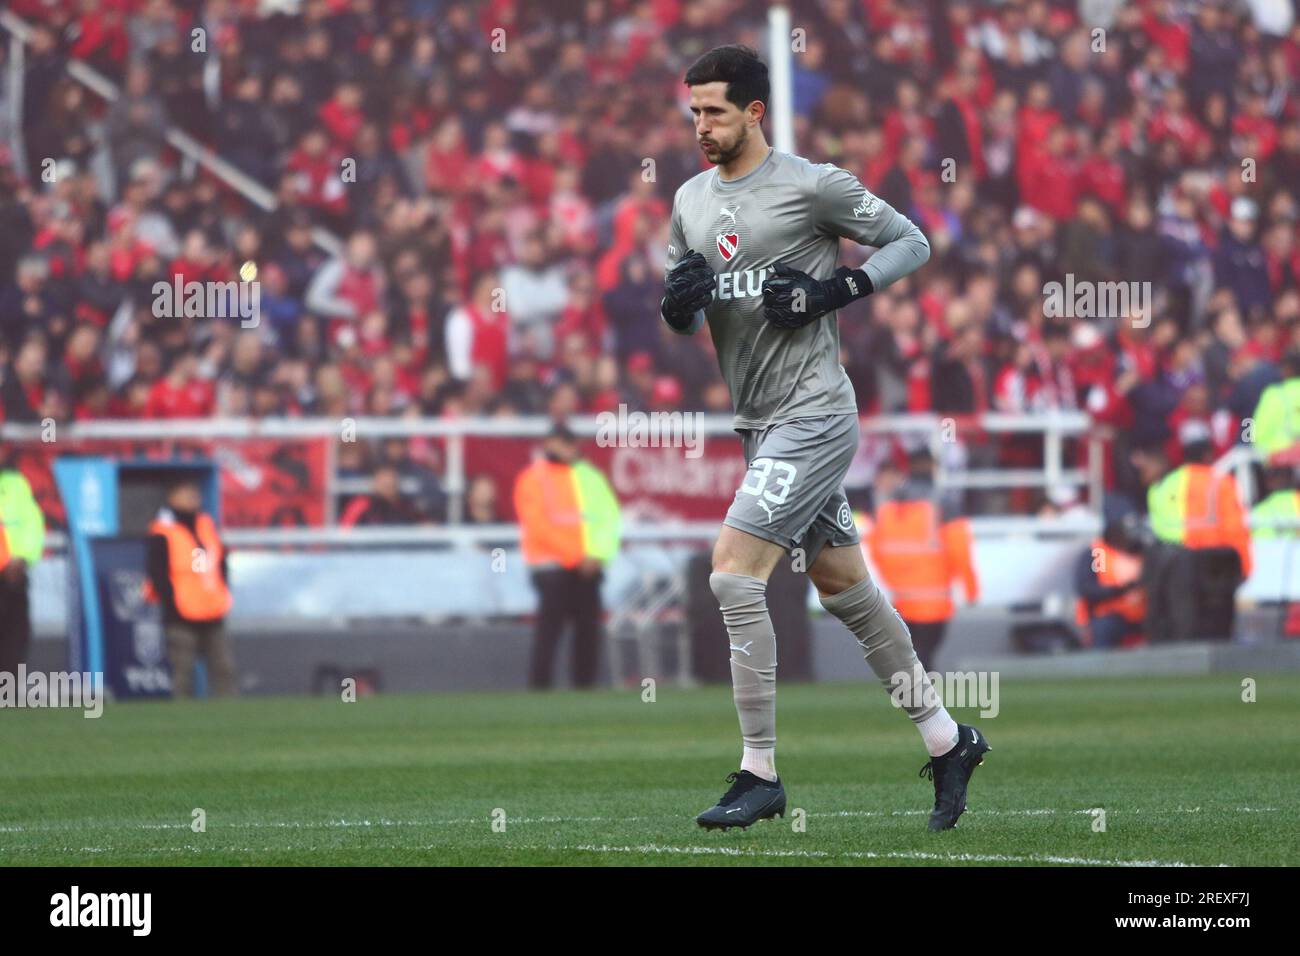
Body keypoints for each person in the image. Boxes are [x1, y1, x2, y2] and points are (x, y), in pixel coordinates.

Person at [662, 46, 988, 833]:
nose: (700, 126)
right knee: (845, 589)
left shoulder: (812, 185)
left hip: (815, 413)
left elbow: (912, 240)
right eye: (693, 112)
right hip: (760, 422)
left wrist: (833, 289)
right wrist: (675, 305)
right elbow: (686, 313)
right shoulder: (690, 201)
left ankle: (759, 771)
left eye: (713, 111)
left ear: (754, 113)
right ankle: (949, 739)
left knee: (734, 575)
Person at [513, 422, 621, 689]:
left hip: (587, 567)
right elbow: (537, 525)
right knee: (549, 633)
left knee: (587, 633)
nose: (569, 449)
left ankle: (584, 688)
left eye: (571, 443)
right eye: (563, 443)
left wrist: (596, 556)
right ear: (549, 443)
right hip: (553, 567)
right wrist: (579, 557)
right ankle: (540, 688)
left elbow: (609, 520)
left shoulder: (590, 476)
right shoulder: (533, 478)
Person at [1134, 421, 1253, 642]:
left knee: (1181, 623)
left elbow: (1157, 530)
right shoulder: (1222, 482)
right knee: (1217, 623)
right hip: (1217, 562)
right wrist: (1245, 566)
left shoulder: (1163, 485)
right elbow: (1235, 527)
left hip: (1174, 562)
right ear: (1209, 452)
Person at [867, 447, 979, 671]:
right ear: (934, 468)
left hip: (900, 599)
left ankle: (913, 697)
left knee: (912, 655)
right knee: (925, 655)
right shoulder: (944, 503)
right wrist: (970, 589)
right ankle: (923, 700)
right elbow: (960, 550)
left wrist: (894, 579)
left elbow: (876, 548)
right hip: (934, 601)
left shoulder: (888, 505)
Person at [144, 479, 237, 697]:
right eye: (186, 494)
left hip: (212, 610)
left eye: (195, 494)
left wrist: (221, 592)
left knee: (224, 668)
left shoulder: (206, 524)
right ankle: (181, 721)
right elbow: (157, 573)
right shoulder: (163, 531)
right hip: (181, 613)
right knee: (182, 671)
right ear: (172, 497)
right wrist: (172, 603)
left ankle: (231, 718)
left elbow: (220, 561)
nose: (193, 499)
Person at [0, 451, 45, 676]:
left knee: (16, 634)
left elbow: (33, 523)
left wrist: (22, 558)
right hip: (6, 569)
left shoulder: (16, 483)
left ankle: (8, 694)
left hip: (14, 575)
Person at [1074, 514, 1147, 649]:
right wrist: (1119, 590)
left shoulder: (1141, 551)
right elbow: (1089, 588)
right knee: (1105, 627)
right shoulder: (1099, 554)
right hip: (1109, 613)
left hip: (1141, 615)